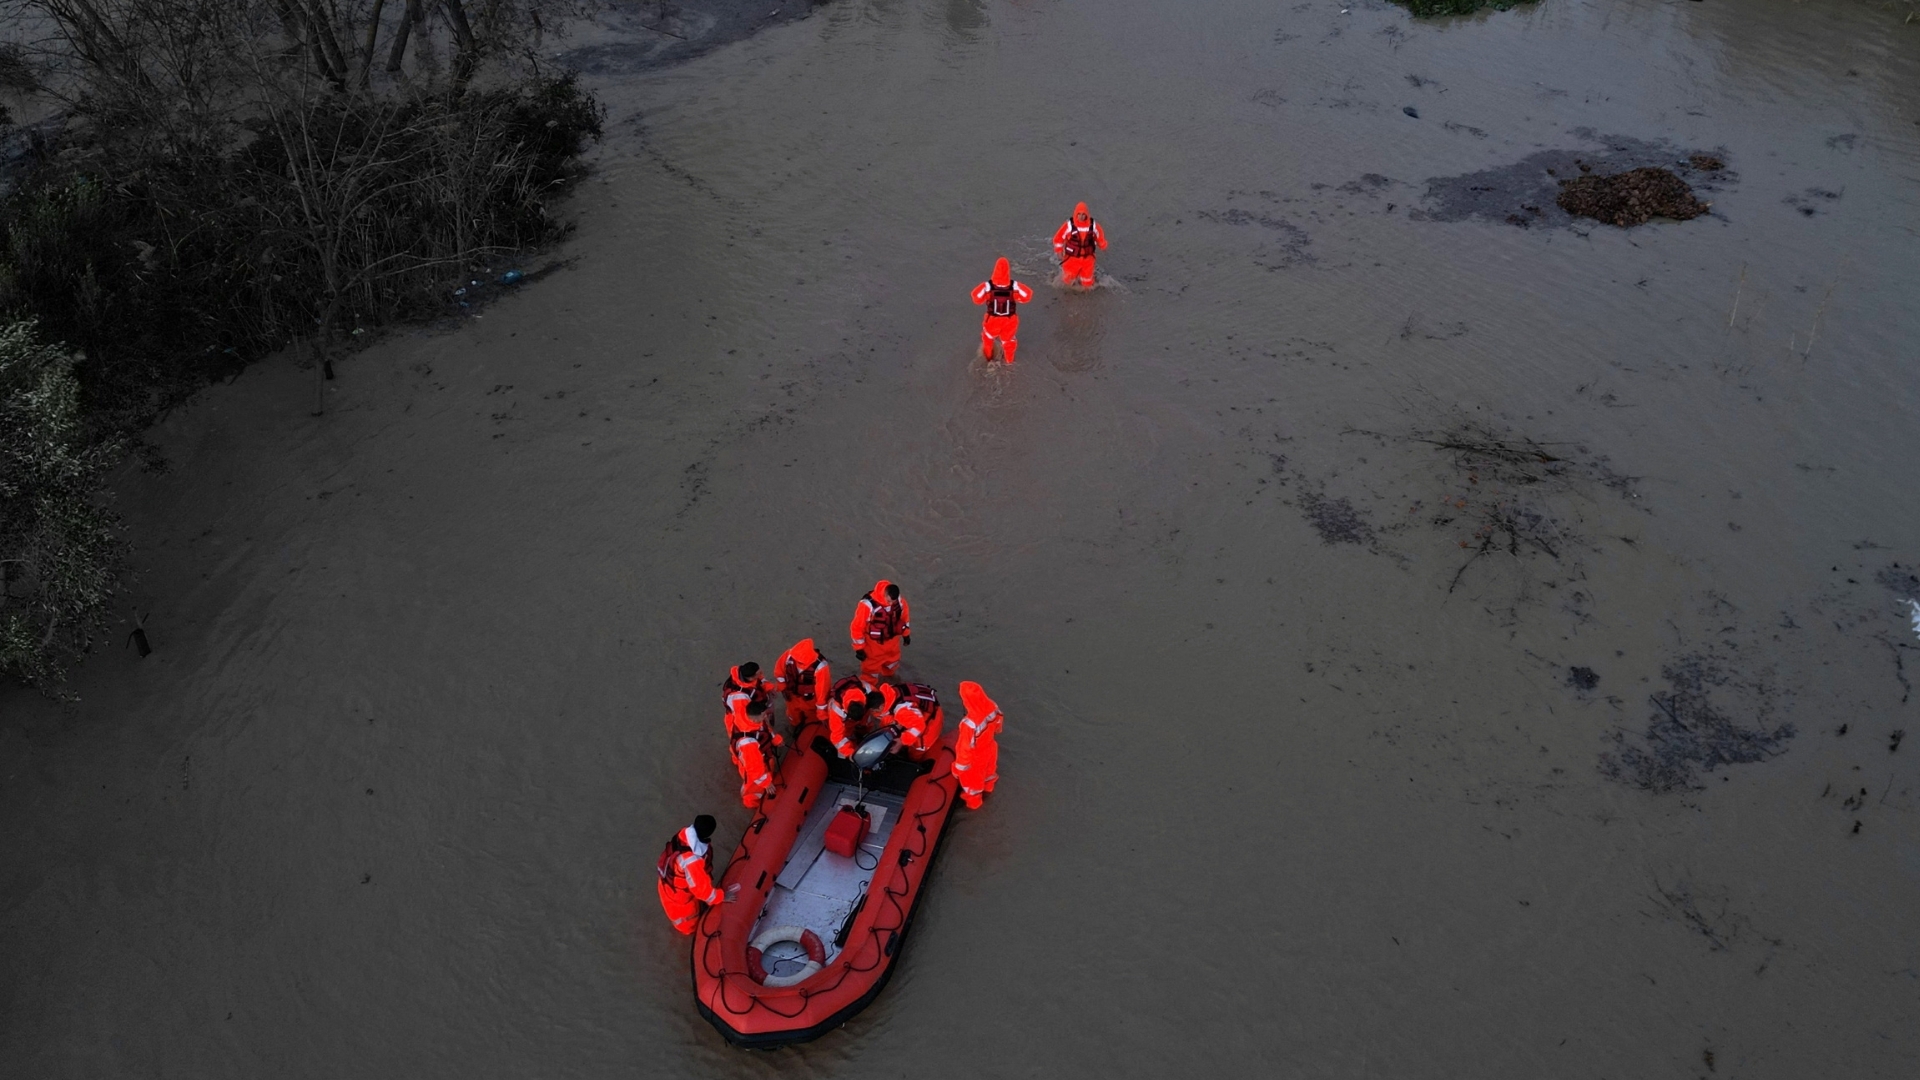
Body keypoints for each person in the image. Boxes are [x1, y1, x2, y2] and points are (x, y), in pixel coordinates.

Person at [657, 814, 739, 934]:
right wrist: (722, 896)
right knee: (689, 928)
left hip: (669, 885)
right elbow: (702, 891)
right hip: (680, 901)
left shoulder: (683, 835)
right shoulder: (692, 861)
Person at [970, 257, 1033, 363]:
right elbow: (1027, 295)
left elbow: (976, 298)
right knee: (1009, 343)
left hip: (992, 321)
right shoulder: (1013, 287)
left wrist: (986, 287)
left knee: (988, 339)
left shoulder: (988, 286)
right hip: (1009, 321)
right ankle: (1009, 363)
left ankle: (988, 359)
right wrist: (1016, 286)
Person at [952, 681, 1003, 809]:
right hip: (990, 748)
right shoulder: (992, 706)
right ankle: (988, 790)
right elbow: (998, 726)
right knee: (989, 775)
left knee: (972, 788)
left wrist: (958, 770)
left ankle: (974, 806)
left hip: (976, 757)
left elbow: (964, 750)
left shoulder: (969, 724)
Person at [849, 579, 911, 680]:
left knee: (892, 666)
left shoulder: (900, 603)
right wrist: (859, 648)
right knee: (870, 673)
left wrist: (906, 634)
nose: (891, 604)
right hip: (873, 647)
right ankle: (870, 691)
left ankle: (890, 684)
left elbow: (905, 619)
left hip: (893, 645)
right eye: (889, 601)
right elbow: (857, 627)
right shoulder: (867, 606)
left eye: (893, 601)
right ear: (885, 595)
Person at [730, 698, 782, 807]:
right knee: (753, 788)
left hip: (756, 756)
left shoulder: (749, 720)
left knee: (764, 772)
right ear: (754, 717)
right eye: (763, 715)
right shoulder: (748, 744)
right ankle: (751, 803)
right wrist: (766, 783)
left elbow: (766, 730)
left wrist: (776, 739)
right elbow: (753, 767)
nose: (765, 717)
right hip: (752, 765)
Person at [772, 638, 831, 729]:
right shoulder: (789, 655)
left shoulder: (821, 667)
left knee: (812, 719)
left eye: (799, 662)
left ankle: (808, 729)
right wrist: (783, 688)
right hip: (792, 696)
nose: (796, 662)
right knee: (793, 716)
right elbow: (779, 672)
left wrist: (822, 713)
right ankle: (795, 728)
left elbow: (822, 691)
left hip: (810, 700)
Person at [1053, 202, 1107, 289]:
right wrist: (1058, 250)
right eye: (1079, 214)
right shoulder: (1069, 225)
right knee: (1068, 281)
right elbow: (1058, 238)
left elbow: (1099, 236)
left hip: (1088, 258)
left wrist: (1103, 245)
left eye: (1083, 214)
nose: (1081, 216)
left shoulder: (1093, 226)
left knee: (1088, 283)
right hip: (1071, 258)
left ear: (1087, 214)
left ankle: (1086, 300)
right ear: (1076, 214)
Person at [827, 674, 873, 758]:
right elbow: (837, 738)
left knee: (866, 723)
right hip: (846, 720)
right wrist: (851, 754)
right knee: (845, 734)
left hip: (862, 715)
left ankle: (862, 732)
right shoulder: (836, 711)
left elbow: (879, 701)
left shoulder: (868, 691)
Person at [722, 662, 770, 737]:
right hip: (741, 721)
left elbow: (760, 680)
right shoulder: (739, 699)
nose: (761, 674)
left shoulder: (746, 674)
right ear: (751, 678)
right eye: (759, 673)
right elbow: (746, 721)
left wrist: (767, 687)